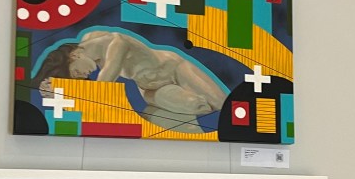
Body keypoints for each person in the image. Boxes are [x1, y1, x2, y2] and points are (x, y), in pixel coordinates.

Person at [36, 30, 227, 133]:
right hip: (151, 91)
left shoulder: (117, 43)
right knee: (187, 111)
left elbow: (103, 85)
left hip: (173, 68)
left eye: (77, 71)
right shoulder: (90, 38)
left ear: (75, 54)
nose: (83, 75)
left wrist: (64, 93)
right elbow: (94, 95)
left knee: (221, 104)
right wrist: (58, 90)